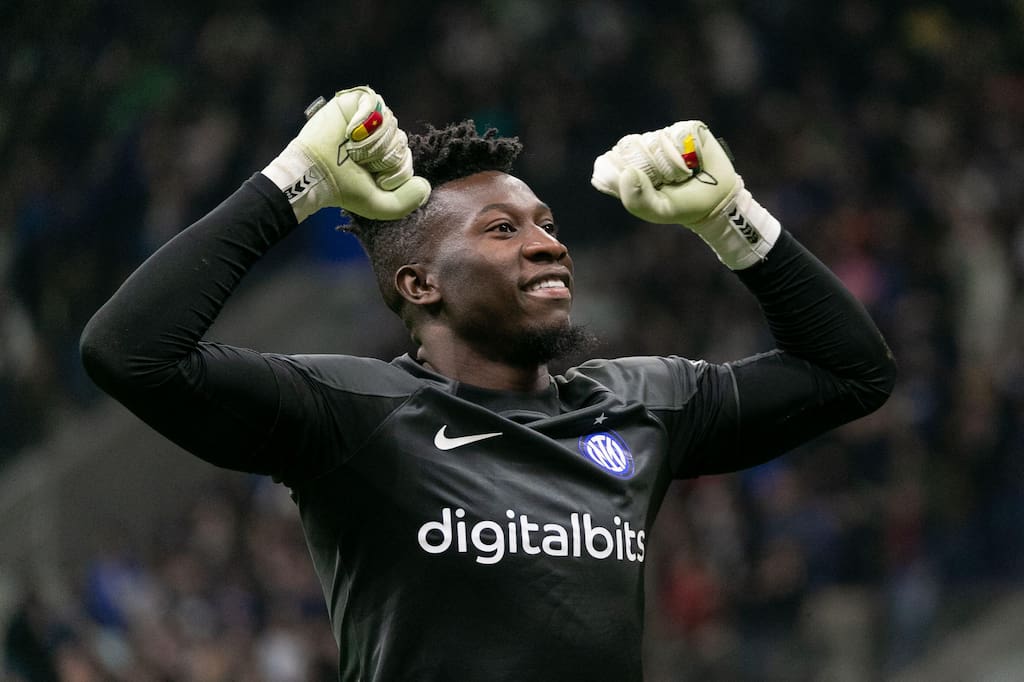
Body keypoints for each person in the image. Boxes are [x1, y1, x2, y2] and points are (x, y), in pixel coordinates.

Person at [80, 86, 896, 681]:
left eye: (547, 224)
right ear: (419, 284)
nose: (547, 244)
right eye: (503, 230)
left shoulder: (638, 406)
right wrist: (294, 182)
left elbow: (850, 373)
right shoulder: (357, 416)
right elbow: (130, 351)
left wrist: (733, 220)